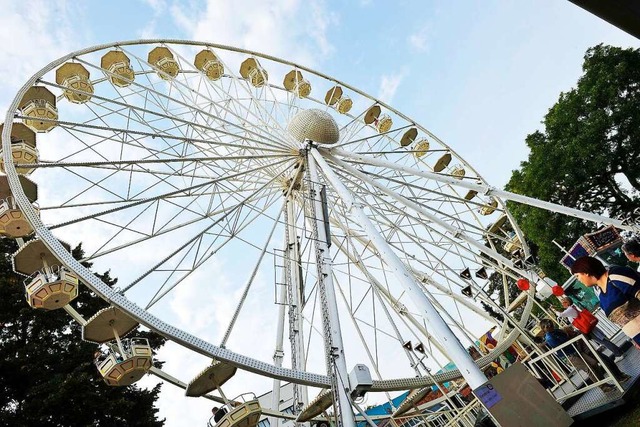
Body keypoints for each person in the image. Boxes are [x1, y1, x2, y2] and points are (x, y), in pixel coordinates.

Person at [539, 319, 629, 392]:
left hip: (577, 350)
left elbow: (568, 337)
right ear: (544, 329)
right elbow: (563, 344)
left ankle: (606, 383)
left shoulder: (557, 331)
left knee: (594, 363)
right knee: (588, 368)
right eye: (547, 326)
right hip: (569, 355)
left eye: (550, 324)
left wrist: (571, 335)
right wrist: (572, 337)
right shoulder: (550, 337)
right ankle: (604, 386)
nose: (550, 326)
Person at [570, 256, 640, 350]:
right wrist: (633, 339)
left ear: (586, 272)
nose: (578, 280)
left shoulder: (615, 275)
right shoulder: (601, 295)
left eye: (577, 276)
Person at [554, 296, 625, 362]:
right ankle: (619, 352)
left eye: (563, 303)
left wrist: (554, 310)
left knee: (603, 340)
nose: (562, 305)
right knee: (603, 340)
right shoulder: (572, 308)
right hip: (588, 327)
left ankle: (618, 354)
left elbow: (561, 315)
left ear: (567, 303)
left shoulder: (570, 309)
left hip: (588, 329)